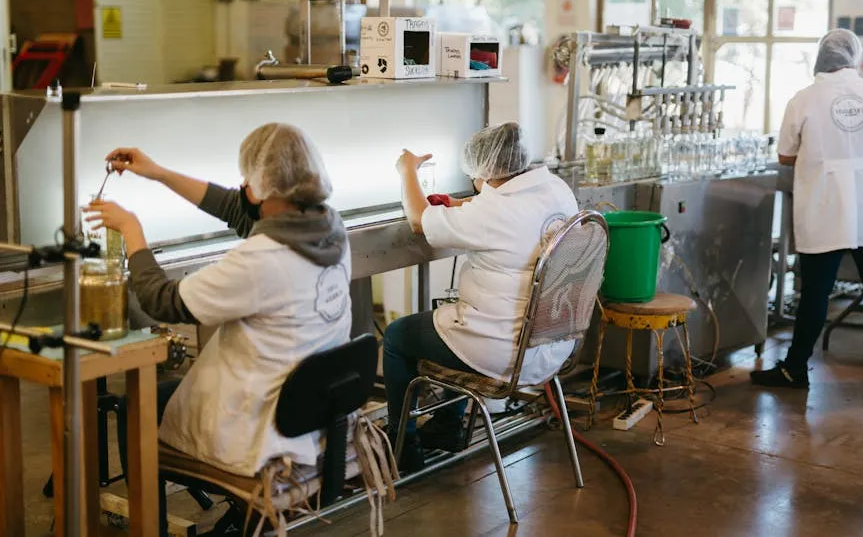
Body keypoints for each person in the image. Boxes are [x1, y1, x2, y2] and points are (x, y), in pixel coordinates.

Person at [85, 123, 352, 478]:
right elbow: (236, 208)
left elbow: (162, 301)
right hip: (312, 410)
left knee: (140, 403)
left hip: (259, 425)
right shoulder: (330, 230)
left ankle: (149, 524)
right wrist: (159, 174)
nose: (242, 187)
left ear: (264, 188)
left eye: (247, 180)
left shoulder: (261, 259)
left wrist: (131, 230)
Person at [384, 122, 578, 470]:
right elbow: (503, 210)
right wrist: (461, 205)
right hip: (553, 344)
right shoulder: (555, 188)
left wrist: (408, 170)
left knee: (399, 336)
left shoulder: (492, 213)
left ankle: (404, 446)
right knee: (454, 321)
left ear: (485, 172)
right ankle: (447, 426)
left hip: (503, 354)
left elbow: (417, 220)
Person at [751, 29, 863, 389]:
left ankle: (796, 368)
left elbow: (786, 156)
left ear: (821, 56)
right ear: (854, 57)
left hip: (825, 205)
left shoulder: (803, 99)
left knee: (816, 291)